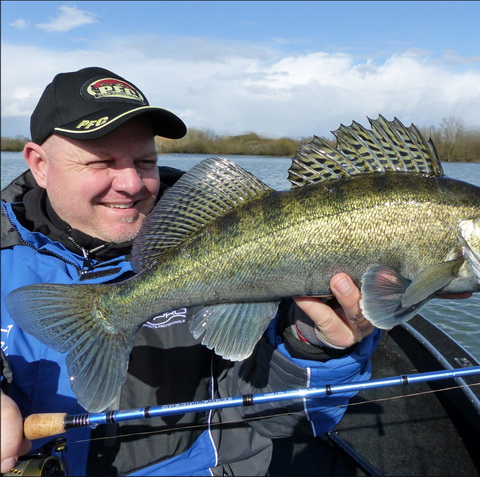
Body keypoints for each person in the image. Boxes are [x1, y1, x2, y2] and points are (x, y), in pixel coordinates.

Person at [1, 67, 380, 476]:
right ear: (39, 164)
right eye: (102, 162)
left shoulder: (237, 236)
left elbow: (284, 421)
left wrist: (311, 347)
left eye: (145, 161)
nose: (131, 182)